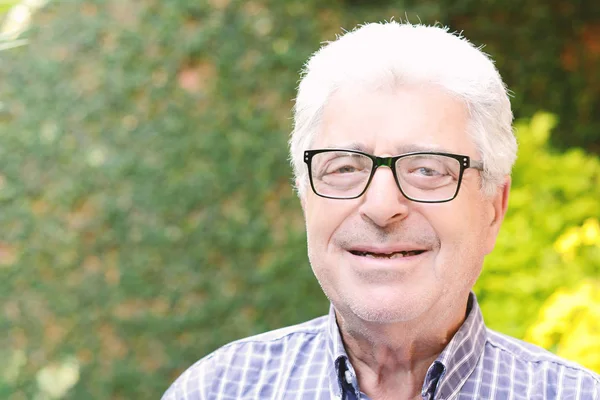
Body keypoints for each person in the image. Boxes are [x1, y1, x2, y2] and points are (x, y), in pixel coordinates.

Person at [162, 21, 600, 400]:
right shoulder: (216, 390)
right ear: (305, 197)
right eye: (346, 167)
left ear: (492, 208)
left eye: (428, 169)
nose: (382, 206)